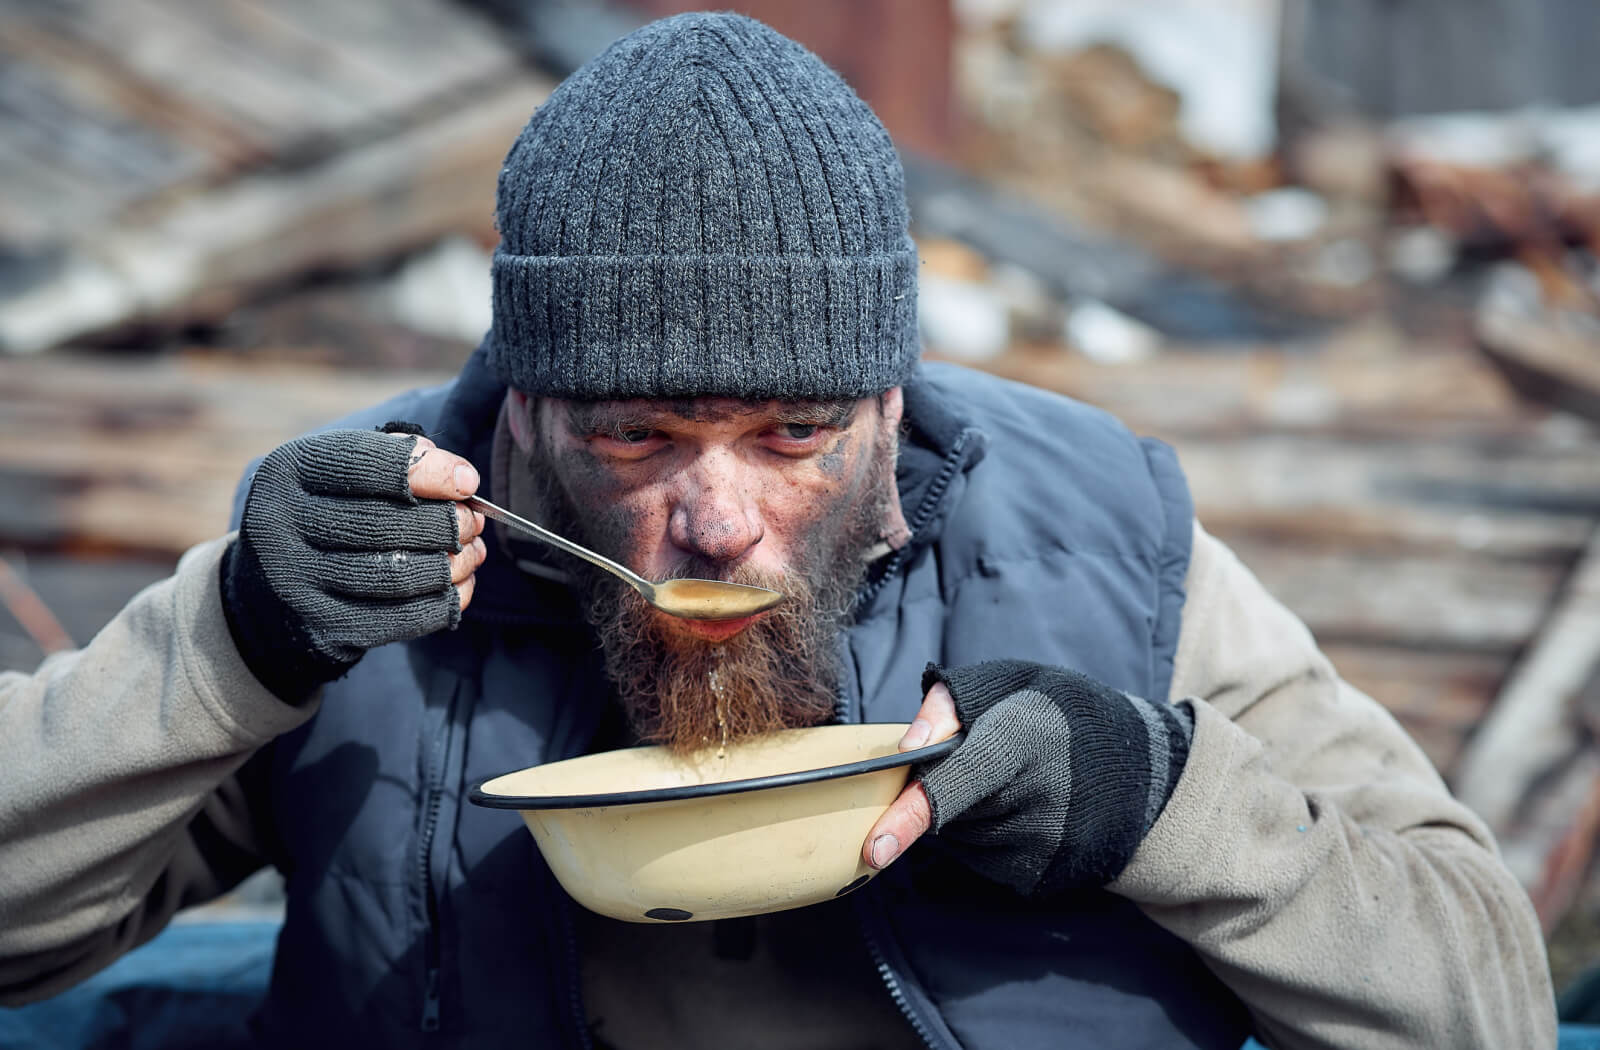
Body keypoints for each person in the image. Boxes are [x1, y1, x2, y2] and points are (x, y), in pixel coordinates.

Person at [0, 12, 1556, 1049]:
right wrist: (229, 644)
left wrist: (1166, 800)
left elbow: (1487, 1002)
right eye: (639, 434)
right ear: (528, 414)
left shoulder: (1100, 546)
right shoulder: (379, 552)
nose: (717, 518)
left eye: (791, 434)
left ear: (890, 405)